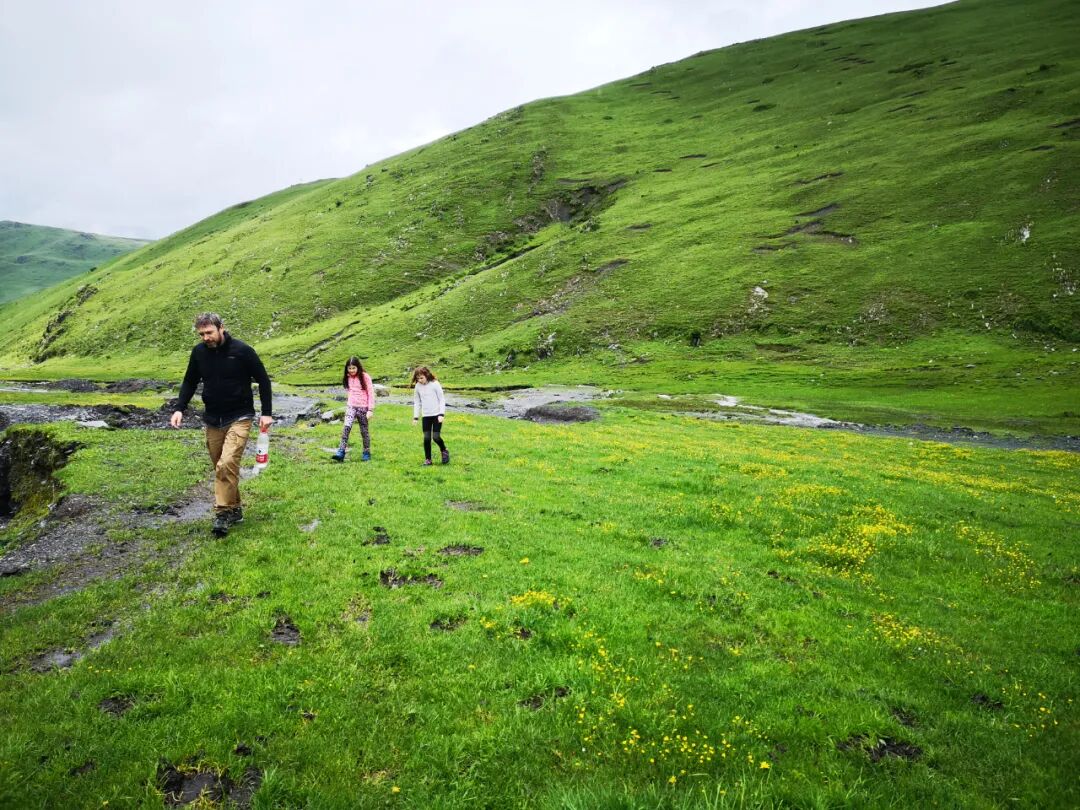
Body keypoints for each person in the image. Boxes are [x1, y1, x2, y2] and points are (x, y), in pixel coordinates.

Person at [170, 313, 273, 537]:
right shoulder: (198, 353)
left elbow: (263, 380)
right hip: (212, 418)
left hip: (240, 416)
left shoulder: (242, 351)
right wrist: (179, 408)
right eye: (201, 334)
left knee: (226, 464)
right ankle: (235, 509)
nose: (205, 337)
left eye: (209, 332)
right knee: (222, 466)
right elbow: (189, 381)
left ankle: (222, 513)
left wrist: (267, 413)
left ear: (221, 328)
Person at [332, 356, 375, 462]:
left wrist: (370, 410)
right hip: (351, 407)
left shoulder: (365, 377)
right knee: (346, 428)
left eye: (353, 368)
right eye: (349, 368)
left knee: (364, 431)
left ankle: (366, 453)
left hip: (363, 408)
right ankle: (341, 451)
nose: (351, 370)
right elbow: (349, 390)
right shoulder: (347, 377)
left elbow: (371, 393)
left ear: (358, 367)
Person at [411, 366, 449, 466]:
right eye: (418, 378)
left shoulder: (435, 384)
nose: (420, 380)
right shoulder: (417, 386)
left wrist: (441, 414)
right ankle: (428, 460)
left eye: (421, 378)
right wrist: (415, 417)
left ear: (427, 375)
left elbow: (442, 399)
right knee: (427, 438)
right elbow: (417, 402)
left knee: (436, 437)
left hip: (437, 415)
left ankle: (444, 450)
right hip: (426, 416)